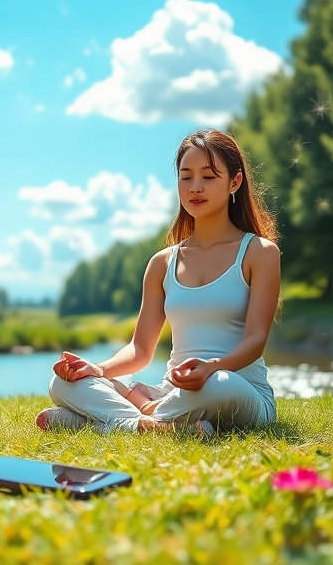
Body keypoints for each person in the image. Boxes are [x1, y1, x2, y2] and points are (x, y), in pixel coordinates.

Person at [36, 129, 281, 436]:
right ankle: (155, 425)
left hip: (237, 387)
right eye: (186, 176)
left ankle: (104, 420)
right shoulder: (162, 263)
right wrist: (98, 370)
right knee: (61, 383)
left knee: (218, 385)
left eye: (208, 177)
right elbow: (140, 349)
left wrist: (212, 367)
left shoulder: (260, 253)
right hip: (173, 393)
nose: (195, 187)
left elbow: (255, 341)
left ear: (235, 182)